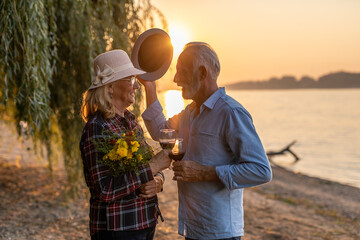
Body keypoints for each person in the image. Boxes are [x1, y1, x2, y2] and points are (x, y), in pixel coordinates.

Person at [140, 42, 272, 240]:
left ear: (202, 73)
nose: (175, 79)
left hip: (220, 232)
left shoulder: (231, 113)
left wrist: (204, 172)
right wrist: (149, 86)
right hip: (192, 227)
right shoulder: (189, 113)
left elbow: (261, 170)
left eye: (181, 72)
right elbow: (161, 132)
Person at [79, 50, 171, 240]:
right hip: (117, 230)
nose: (136, 86)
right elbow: (103, 190)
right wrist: (153, 167)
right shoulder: (97, 127)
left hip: (144, 223)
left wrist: (159, 183)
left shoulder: (130, 121)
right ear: (110, 87)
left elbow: (149, 165)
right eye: (130, 79)